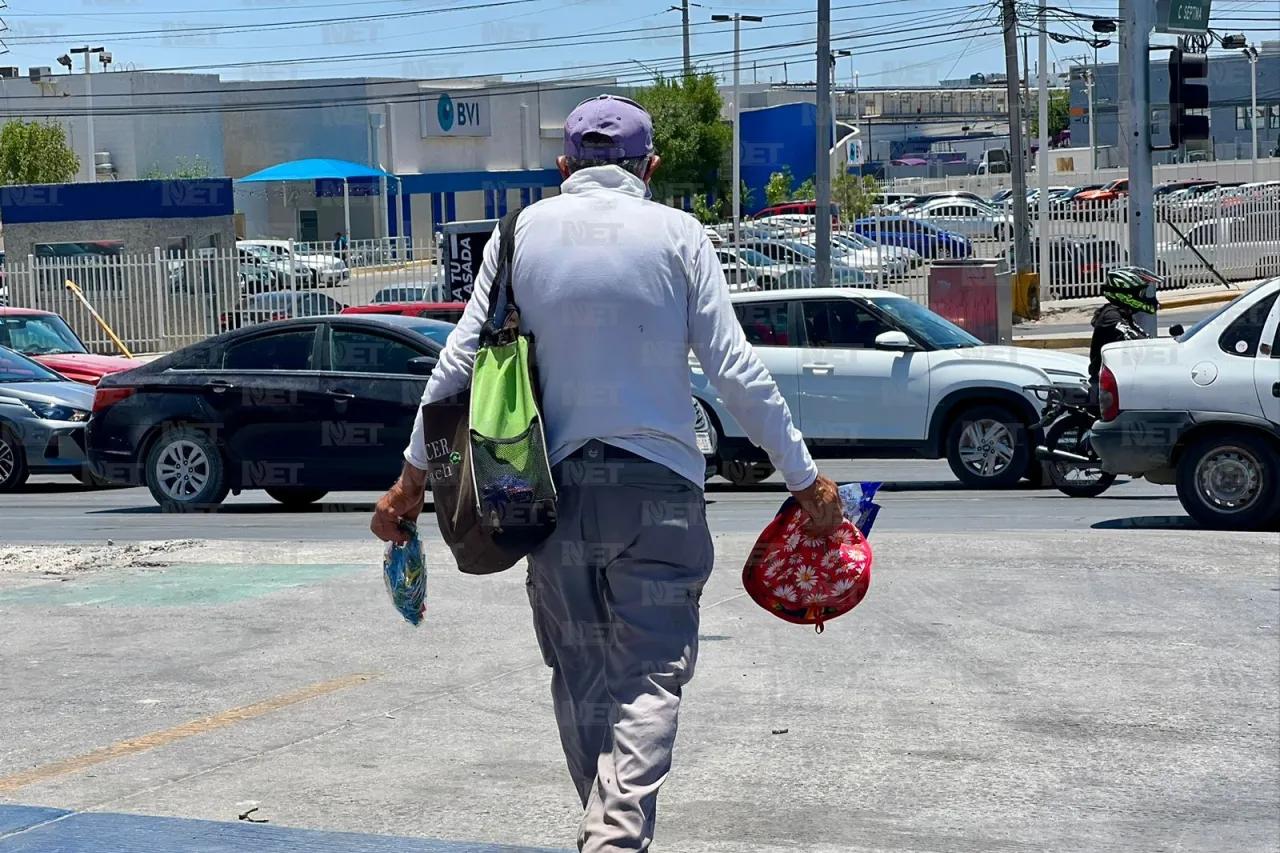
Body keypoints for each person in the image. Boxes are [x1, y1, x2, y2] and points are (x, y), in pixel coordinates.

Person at [371, 94, 843, 852]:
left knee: (581, 676)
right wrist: (805, 478)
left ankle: (606, 828)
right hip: (659, 491)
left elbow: (459, 358)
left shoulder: (519, 232)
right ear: (648, 168)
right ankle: (616, 835)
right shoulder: (680, 235)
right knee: (649, 677)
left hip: (547, 498)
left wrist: (410, 480)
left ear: (564, 167)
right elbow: (735, 369)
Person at [1089, 266, 1159, 401]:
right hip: (1105, 389)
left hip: (1121, 384)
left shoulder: (1123, 315)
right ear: (1127, 294)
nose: (1145, 297)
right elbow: (1138, 342)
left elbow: (1147, 340)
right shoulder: (1111, 317)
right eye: (1141, 293)